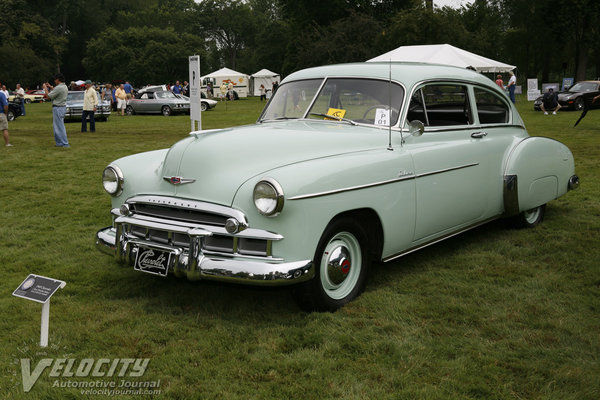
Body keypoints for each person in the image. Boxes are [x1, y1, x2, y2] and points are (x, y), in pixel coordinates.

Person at [43, 73, 69, 147]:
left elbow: (48, 96)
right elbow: (56, 91)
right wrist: (50, 87)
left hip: (58, 108)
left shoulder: (59, 88)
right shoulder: (64, 86)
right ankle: (60, 143)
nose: (54, 81)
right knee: (57, 126)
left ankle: (64, 143)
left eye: (55, 79)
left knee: (59, 126)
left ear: (58, 80)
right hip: (62, 107)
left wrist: (45, 88)